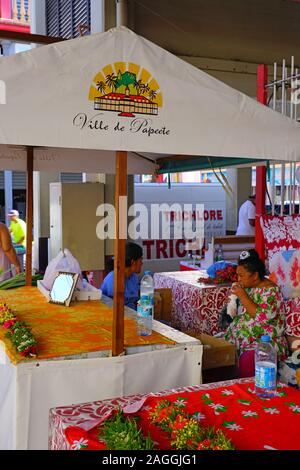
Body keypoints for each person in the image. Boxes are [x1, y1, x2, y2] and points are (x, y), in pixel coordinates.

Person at [224, 249, 288, 372]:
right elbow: (235, 315)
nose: (238, 279)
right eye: (238, 274)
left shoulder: (270, 291)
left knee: (249, 359)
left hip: (266, 343)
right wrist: (232, 302)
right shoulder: (248, 286)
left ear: (255, 275)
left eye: (242, 275)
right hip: (240, 340)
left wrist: (242, 296)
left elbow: (263, 318)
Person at [101, 242, 143, 310]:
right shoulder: (113, 278)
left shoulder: (134, 277)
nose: (142, 263)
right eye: (140, 260)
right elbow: (114, 307)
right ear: (133, 262)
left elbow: (136, 300)